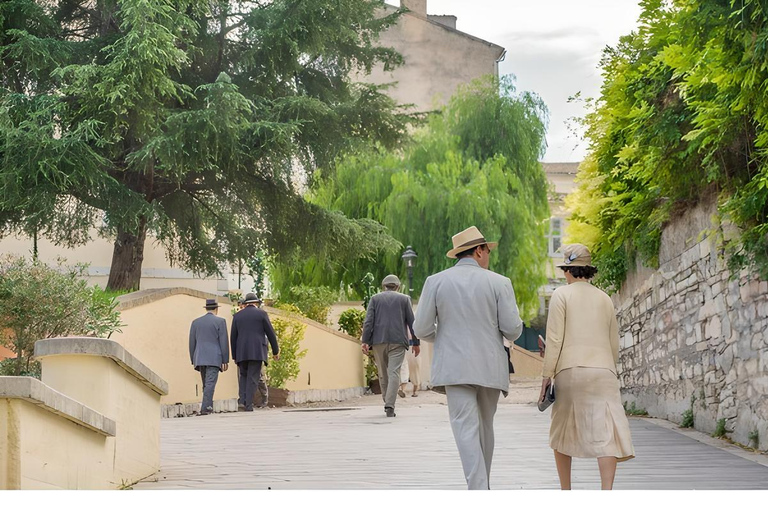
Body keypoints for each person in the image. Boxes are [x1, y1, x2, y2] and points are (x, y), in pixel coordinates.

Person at [414, 226, 523, 490]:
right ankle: (481, 487)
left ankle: (478, 488)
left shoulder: (435, 281)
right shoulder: (500, 282)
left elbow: (421, 329)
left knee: (465, 428)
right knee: (485, 426)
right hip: (490, 366)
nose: (489, 256)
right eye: (487, 250)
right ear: (478, 251)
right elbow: (513, 329)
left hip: (454, 367)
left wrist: (444, 335)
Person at [540, 243, 635, 490]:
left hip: (570, 370)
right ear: (589, 270)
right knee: (607, 433)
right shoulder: (604, 298)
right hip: (603, 370)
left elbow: (554, 339)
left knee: (561, 431)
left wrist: (546, 376)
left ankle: (566, 491)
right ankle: (606, 492)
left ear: (567, 271)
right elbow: (613, 342)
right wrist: (608, 368)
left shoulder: (562, 295)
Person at [361, 274, 419, 418]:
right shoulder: (405, 299)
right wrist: (416, 343)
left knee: (383, 374)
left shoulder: (375, 299)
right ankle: (390, 405)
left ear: (383, 286)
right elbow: (412, 323)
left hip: (378, 341)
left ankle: (387, 402)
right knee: (394, 372)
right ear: (398, 286)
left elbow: (368, 322)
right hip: (398, 341)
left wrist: (365, 341)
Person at [231, 292, 279, 412]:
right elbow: (270, 333)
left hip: (241, 352)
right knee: (253, 377)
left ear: (246, 304)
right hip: (257, 351)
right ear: (256, 303)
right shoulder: (262, 314)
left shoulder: (237, 316)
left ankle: (242, 401)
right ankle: (248, 404)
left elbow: (233, 337)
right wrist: (275, 351)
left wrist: (234, 355)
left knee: (243, 376)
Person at [189, 298, 230, 415]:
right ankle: (206, 407)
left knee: (206, 383)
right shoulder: (220, 322)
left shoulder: (196, 322)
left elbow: (192, 342)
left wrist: (193, 358)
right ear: (216, 309)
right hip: (214, 357)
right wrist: (225, 360)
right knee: (210, 383)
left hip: (199, 357)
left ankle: (207, 405)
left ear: (206, 308)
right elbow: (223, 341)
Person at [399, 326, 421, 398]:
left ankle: (415, 390)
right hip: (403, 344)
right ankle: (403, 390)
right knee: (404, 366)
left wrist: (416, 344)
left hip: (413, 344)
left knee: (415, 368)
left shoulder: (413, 319)